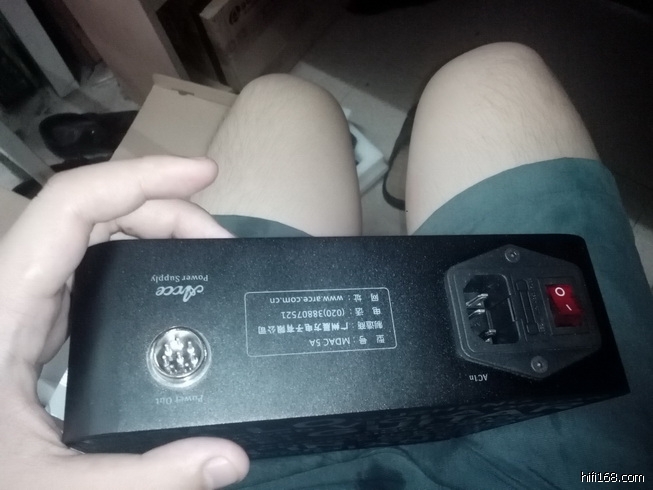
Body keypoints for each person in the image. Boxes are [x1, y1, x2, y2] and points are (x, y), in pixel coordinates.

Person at [0, 42, 651, 489]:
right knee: (496, 71)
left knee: (280, 97)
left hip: (493, 396)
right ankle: (404, 178)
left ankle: (397, 177)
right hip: (581, 472)